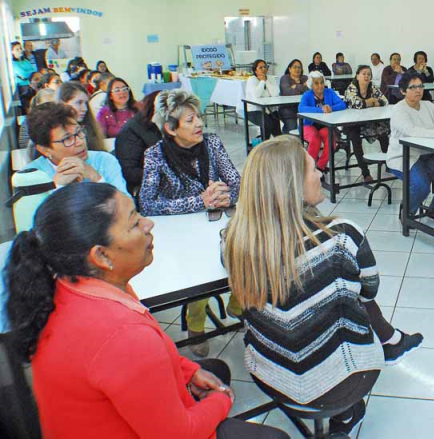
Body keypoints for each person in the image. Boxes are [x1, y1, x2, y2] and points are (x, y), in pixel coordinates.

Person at [3, 182, 289, 439]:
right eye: (134, 223)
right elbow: (179, 434)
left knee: (215, 369)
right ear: (101, 255)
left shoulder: (72, 283)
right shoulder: (122, 337)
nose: (148, 224)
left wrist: (186, 371)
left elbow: (150, 356)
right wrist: (223, 399)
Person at [223, 137, 422, 435]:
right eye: (313, 170)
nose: (320, 175)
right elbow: (369, 291)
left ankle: (389, 344)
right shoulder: (342, 236)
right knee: (352, 301)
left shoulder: (235, 240)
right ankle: (347, 410)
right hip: (340, 385)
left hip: (268, 374)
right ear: (292, 186)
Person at [139, 90, 242, 356]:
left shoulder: (212, 143)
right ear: (170, 128)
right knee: (201, 269)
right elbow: (148, 205)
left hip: (216, 222)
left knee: (246, 251)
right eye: (189, 120)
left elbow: (237, 181)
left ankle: (238, 304)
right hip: (181, 231)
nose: (199, 123)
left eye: (198, 116)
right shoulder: (155, 155)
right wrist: (200, 201)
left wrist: (224, 194)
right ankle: (196, 325)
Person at [386, 71, 434, 225]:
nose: (418, 90)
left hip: (428, 153)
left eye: (420, 86)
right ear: (403, 91)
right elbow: (411, 131)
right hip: (404, 156)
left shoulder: (428, 105)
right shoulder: (399, 110)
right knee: (421, 186)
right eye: (413, 87)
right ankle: (407, 212)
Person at [26, 102, 127, 193]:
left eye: (79, 132)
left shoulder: (103, 160)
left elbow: (128, 207)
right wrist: (57, 187)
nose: (80, 142)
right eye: (67, 139)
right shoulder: (32, 176)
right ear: (45, 149)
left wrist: (98, 180)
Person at [344, 65, 390, 181]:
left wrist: (373, 102)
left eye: (369, 74)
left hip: (368, 121)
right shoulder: (351, 88)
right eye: (363, 73)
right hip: (352, 123)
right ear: (357, 75)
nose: (366, 76)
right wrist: (370, 101)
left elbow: (384, 100)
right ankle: (365, 172)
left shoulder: (372, 87)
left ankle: (389, 163)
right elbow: (357, 104)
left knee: (384, 132)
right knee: (355, 139)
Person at [115, 91, 164, 197]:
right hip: (148, 187)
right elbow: (129, 172)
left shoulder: (163, 128)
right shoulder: (130, 133)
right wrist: (164, 174)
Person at [299, 71, 347, 171]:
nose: (320, 86)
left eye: (321, 82)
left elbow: (342, 104)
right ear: (311, 85)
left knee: (331, 142)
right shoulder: (307, 95)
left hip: (325, 125)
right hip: (308, 125)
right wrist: (320, 110)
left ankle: (320, 167)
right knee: (315, 140)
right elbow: (301, 108)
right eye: (316, 83)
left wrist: (331, 108)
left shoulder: (329, 92)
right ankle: (309, 169)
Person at [56, 82, 106, 151]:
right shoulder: (55, 134)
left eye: (86, 103)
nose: (85, 109)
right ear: (63, 103)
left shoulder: (88, 130)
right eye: (79, 102)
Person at [245, 59, 282, 141]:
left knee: (276, 122)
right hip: (254, 111)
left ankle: (278, 144)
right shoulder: (252, 79)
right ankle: (264, 143)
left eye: (265, 67)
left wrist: (266, 81)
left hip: (269, 109)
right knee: (267, 123)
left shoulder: (270, 78)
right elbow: (256, 95)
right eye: (260, 67)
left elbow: (275, 93)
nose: (263, 69)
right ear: (255, 70)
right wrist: (262, 81)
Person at [278, 58, 308, 133]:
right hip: (287, 109)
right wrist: (302, 87)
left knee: (311, 125)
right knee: (292, 128)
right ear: (290, 69)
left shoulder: (305, 78)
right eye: (295, 67)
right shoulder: (284, 78)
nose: (297, 69)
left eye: (299, 67)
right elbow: (287, 92)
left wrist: (296, 86)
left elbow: (308, 92)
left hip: (302, 107)